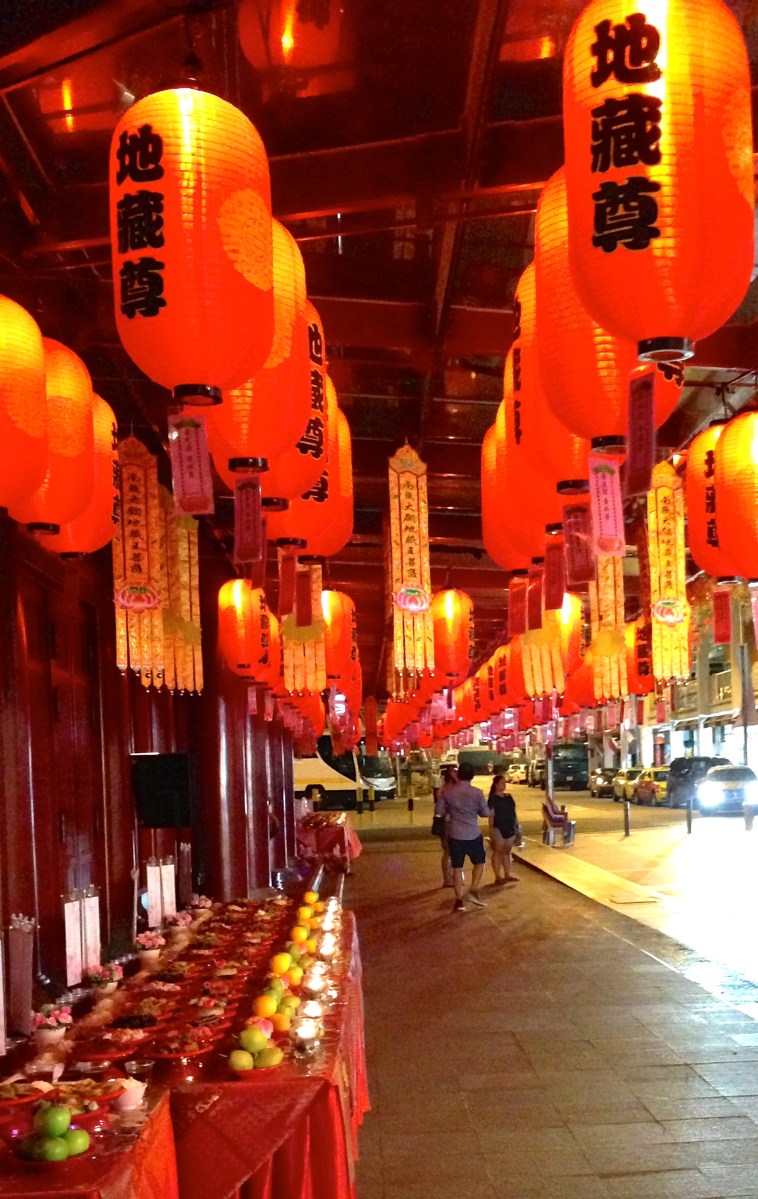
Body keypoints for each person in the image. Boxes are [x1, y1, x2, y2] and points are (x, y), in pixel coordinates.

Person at [434, 761, 489, 912]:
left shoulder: (448, 792)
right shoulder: (477, 792)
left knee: (457, 867)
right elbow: (484, 813)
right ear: (472, 776)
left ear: (459, 774)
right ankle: (474, 888)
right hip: (473, 833)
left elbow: (439, 811)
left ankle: (459, 901)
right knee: (480, 861)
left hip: (455, 833)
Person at [487, 773, 520, 886]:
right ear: (496, 785)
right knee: (498, 851)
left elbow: (513, 813)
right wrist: (491, 831)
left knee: (507, 852)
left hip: (510, 827)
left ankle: (507, 874)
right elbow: (491, 816)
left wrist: (517, 826)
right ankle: (497, 876)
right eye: (501, 783)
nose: (504, 785)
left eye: (504, 783)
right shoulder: (493, 799)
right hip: (498, 828)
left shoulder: (509, 797)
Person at [434, 764, 455, 888]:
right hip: (449, 823)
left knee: (448, 851)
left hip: (445, 822)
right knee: (450, 851)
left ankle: (449, 878)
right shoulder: (449, 790)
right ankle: (449, 878)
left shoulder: (441, 790)